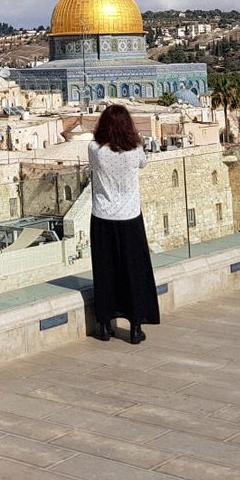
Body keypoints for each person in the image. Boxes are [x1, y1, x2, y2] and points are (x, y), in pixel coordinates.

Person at [87, 104, 160, 343]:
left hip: (103, 217)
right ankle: (136, 327)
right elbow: (143, 163)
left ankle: (104, 325)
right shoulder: (135, 150)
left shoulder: (95, 149)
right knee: (134, 271)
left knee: (105, 270)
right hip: (129, 217)